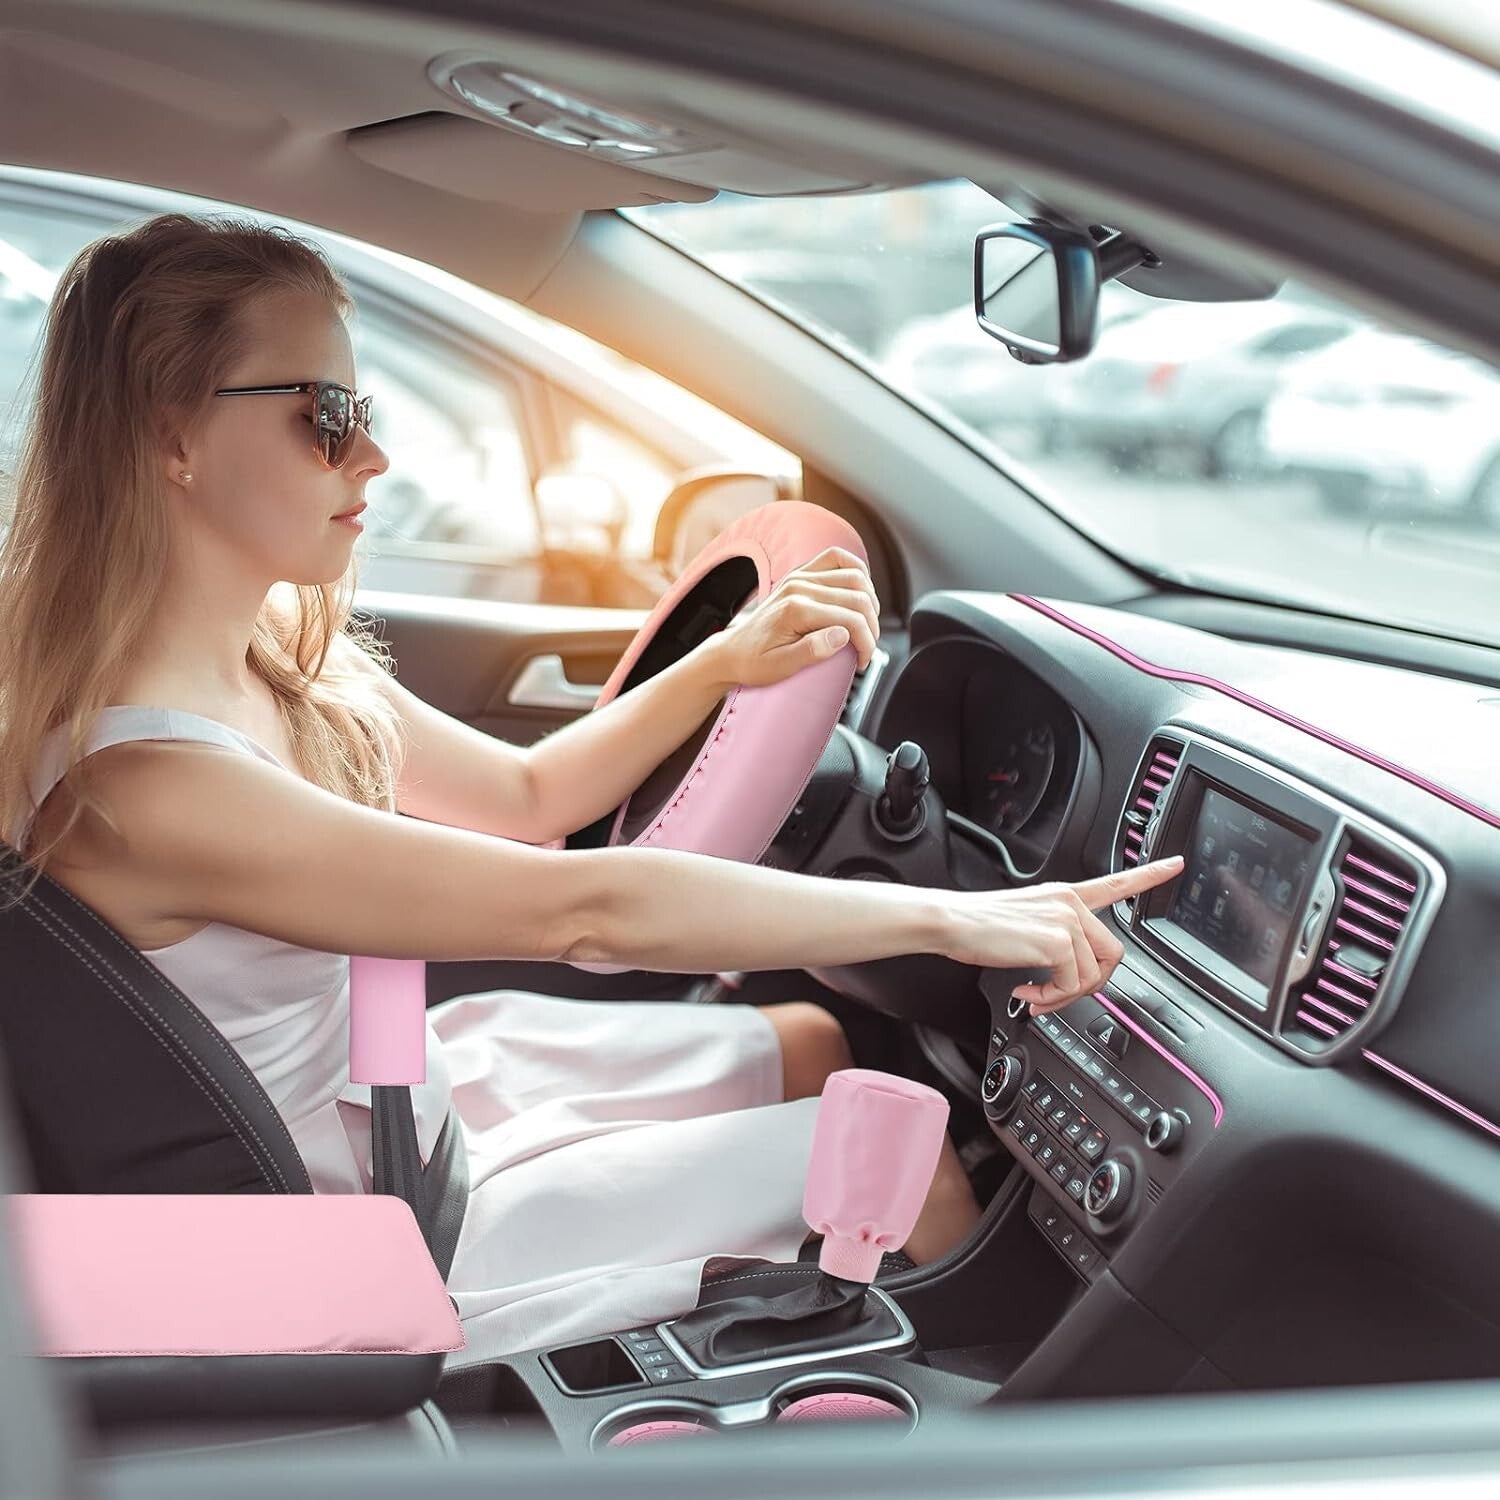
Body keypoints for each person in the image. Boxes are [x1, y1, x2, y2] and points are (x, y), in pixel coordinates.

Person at [0, 214, 1182, 1368]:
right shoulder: (150, 787)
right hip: (369, 1225)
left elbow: (529, 797)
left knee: (817, 1042)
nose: (373, 457)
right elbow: (588, 912)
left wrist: (723, 664)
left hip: (400, 1080)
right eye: (326, 416)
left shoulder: (281, 656)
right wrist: (955, 916)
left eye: (365, 410)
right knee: (899, 1159)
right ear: (173, 436)